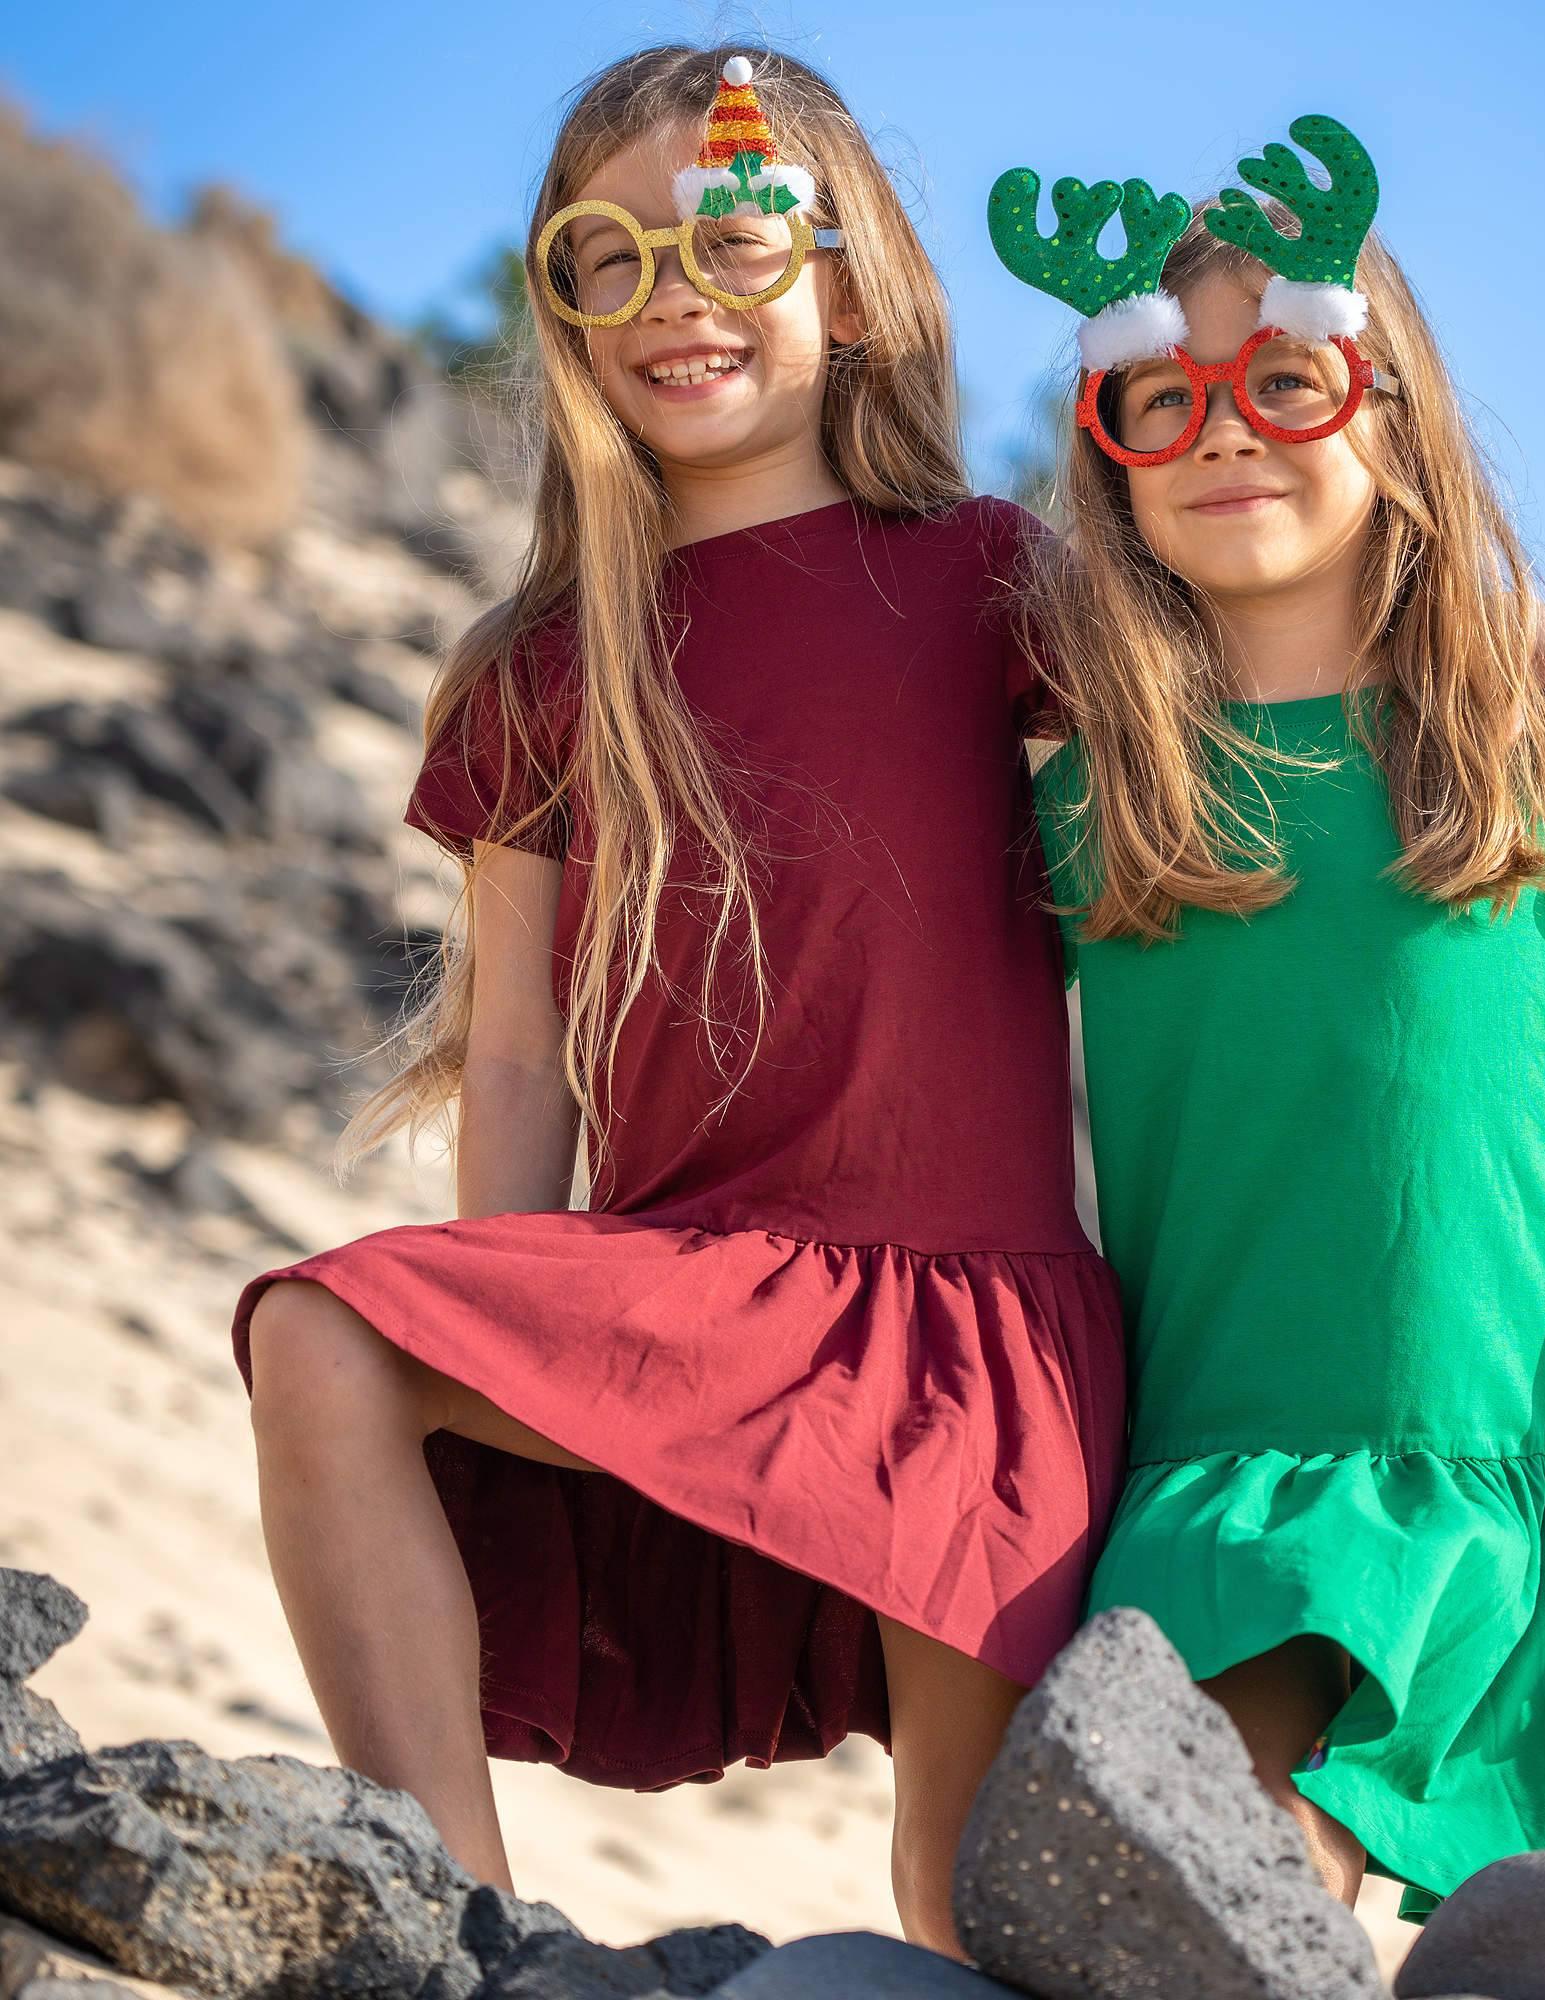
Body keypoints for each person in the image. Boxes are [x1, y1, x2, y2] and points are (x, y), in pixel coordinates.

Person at [230, 47, 1130, 1954]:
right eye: (605, 257)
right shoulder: (540, 669)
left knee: (956, 1912)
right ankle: (462, 1936)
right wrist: (521, 1326)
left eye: (729, 239)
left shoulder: (994, 581)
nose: (674, 302)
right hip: (692, 1295)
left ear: (853, 276)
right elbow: (519, 1050)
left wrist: (1506, 624)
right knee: (324, 1337)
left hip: (972, 1335)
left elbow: (1264, 646)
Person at [1000, 114, 1545, 1921]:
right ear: (1110, 457)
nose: (1227, 424)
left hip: (1499, 1491)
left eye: (1288, 379)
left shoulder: (1521, 745)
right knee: (1234, 1892)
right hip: (1225, 1478)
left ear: (1391, 422)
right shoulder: (1086, 780)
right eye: (1162, 399)